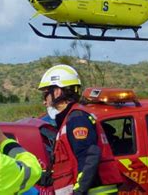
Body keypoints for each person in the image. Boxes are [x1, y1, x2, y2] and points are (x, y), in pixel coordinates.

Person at [39, 64, 123, 194]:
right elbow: (70, 164)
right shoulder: (69, 120)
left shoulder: (77, 119)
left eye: (45, 95)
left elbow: (89, 156)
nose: (44, 102)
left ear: (57, 92)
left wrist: (79, 191)